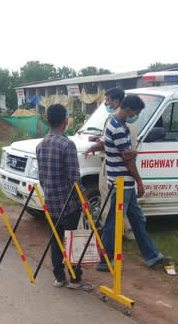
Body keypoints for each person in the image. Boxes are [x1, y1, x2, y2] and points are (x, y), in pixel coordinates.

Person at [96, 96, 168, 272]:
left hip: (121, 182)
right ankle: (105, 261)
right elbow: (127, 159)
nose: (135, 117)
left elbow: (117, 149)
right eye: (135, 114)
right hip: (122, 183)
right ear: (127, 110)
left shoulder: (114, 123)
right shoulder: (118, 128)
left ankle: (152, 256)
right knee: (113, 223)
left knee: (137, 220)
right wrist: (139, 181)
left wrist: (130, 153)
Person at [36, 104, 92, 290]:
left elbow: (42, 176)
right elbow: (75, 179)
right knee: (72, 241)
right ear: (65, 121)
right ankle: (75, 279)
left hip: (50, 202)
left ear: (48, 121)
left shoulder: (41, 145)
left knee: (56, 240)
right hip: (69, 205)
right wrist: (84, 201)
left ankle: (59, 278)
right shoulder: (67, 145)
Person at [84, 87, 137, 239]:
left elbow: (110, 142)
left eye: (108, 100)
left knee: (108, 201)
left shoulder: (117, 120)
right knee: (126, 204)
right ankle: (126, 232)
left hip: (114, 165)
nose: (106, 103)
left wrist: (94, 146)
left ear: (117, 101)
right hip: (125, 166)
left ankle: (110, 235)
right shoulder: (131, 119)